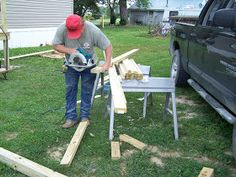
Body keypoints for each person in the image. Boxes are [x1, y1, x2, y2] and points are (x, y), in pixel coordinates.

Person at [52, 14, 112, 128]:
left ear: (83, 24)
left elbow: (108, 46)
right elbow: (55, 45)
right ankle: (71, 118)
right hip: (71, 65)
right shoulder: (62, 28)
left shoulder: (93, 30)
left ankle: (85, 117)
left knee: (87, 90)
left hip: (89, 66)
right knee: (70, 90)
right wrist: (69, 50)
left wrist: (107, 63)